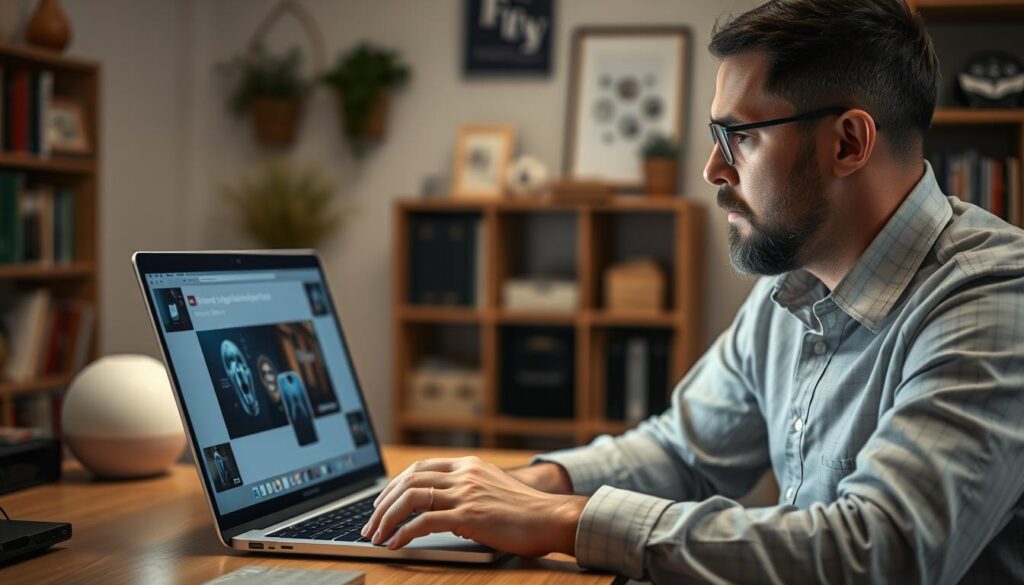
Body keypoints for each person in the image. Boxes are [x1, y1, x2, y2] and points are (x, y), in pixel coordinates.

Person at [361, 0, 1024, 582]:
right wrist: (532, 484)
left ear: (847, 142)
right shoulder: (791, 287)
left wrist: (567, 518)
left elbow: (880, 552)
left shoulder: (989, 303)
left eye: (741, 137)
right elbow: (684, 449)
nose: (712, 169)